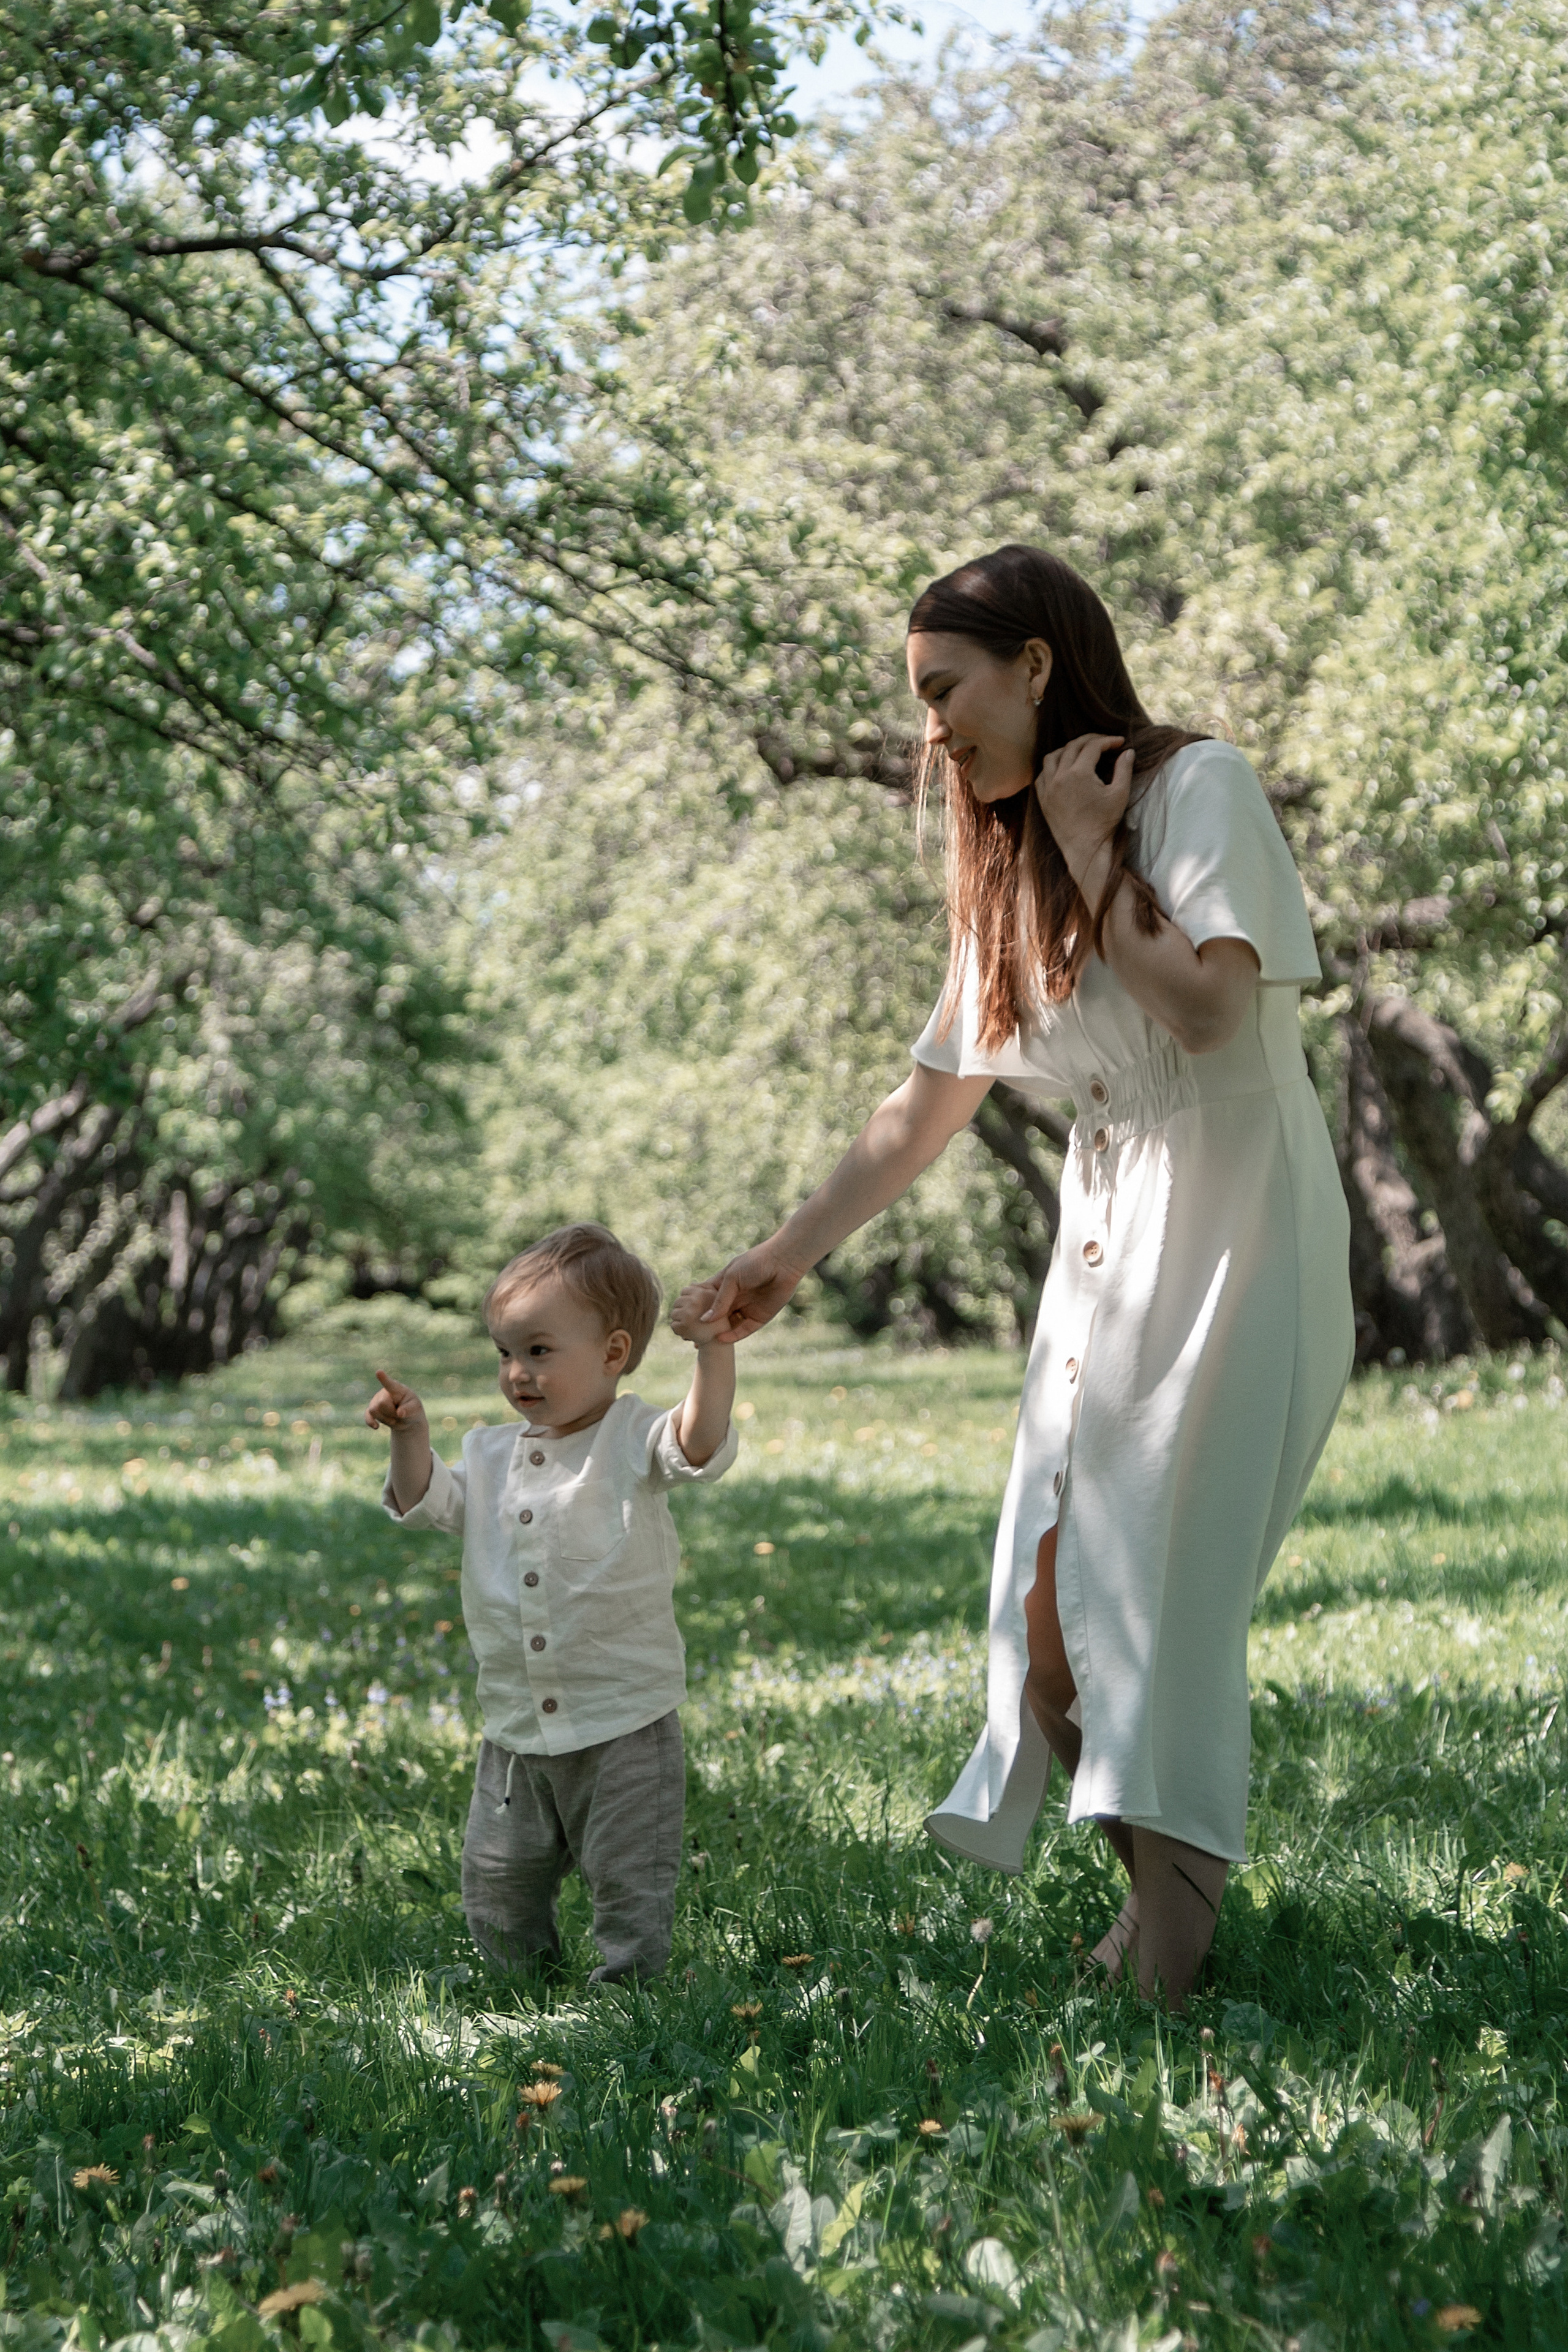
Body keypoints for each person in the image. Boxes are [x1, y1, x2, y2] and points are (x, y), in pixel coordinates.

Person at [699, 545, 1353, 2010]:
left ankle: (1163, 1969)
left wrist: (1091, 843)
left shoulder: (1195, 789)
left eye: (943, 690)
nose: (926, 729)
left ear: (1037, 663)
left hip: (1230, 1230)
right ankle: (1154, 1921)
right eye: (915, 700)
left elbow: (1202, 1008)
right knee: (1043, 1619)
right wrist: (782, 1257)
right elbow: (925, 1102)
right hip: (1106, 1233)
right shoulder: (1002, 870)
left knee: (1158, 1595)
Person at [366, 1221, 738, 1985]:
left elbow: (698, 1443)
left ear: (612, 1353)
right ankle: (517, 1985)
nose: (517, 1373)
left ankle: (631, 1996)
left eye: (539, 1351)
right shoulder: (488, 1453)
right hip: (515, 1722)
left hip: (623, 1718)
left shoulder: (632, 1438)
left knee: (628, 1878)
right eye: (505, 1352)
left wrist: (712, 1349)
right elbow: (422, 1502)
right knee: (498, 1879)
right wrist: (412, 1437)